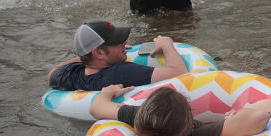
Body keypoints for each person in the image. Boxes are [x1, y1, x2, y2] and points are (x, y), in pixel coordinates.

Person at [90, 85, 270, 136]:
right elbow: (259, 116)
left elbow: (97, 108)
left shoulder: (140, 118)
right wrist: (232, 119)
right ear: (187, 121)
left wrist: (106, 92)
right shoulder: (195, 133)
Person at [48, 20, 188, 92]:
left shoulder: (69, 75)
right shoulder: (120, 72)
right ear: (99, 53)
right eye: (117, 42)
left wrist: (88, 55)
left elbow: (53, 72)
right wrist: (167, 45)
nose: (124, 42)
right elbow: (181, 74)